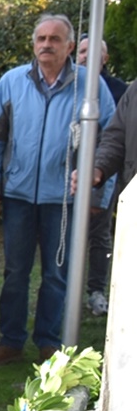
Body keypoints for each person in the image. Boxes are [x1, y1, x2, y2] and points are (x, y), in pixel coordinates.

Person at [0, 14, 116, 366]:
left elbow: (109, 142)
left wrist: (97, 195)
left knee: (57, 274)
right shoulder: (12, 82)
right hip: (18, 195)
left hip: (66, 200)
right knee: (15, 272)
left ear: (69, 46)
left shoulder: (90, 86)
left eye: (54, 39)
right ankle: (10, 341)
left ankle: (49, 341)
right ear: (33, 43)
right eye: (41, 38)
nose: (46, 45)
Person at [76, 37, 124, 317]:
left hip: (105, 175)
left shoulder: (120, 91)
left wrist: (101, 183)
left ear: (105, 59)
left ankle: (96, 291)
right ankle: (66, 292)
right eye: (82, 51)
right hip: (68, 176)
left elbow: (118, 140)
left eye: (94, 52)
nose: (86, 56)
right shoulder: (70, 86)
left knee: (99, 234)